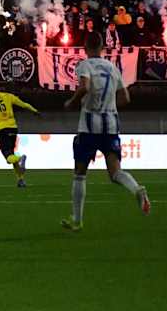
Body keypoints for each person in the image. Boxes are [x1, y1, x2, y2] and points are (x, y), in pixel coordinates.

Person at [61, 32, 150, 232]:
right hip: (110, 124)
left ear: (85, 47)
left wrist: (72, 102)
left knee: (80, 174)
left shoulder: (85, 65)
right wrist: (109, 106)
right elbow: (126, 98)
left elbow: (84, 87)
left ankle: (77, 219)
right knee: (115, 171)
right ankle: (136, 189)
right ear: (102, 47)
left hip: (89, 125)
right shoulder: (112, 68)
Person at [0, 84, 39, 188]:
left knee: (8, 157)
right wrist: (34, 110)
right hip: (13, 128)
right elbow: (24, 104)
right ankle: (20, 180)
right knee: (11, 155)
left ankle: (20, 158)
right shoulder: (7, 95)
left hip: (1, 129)